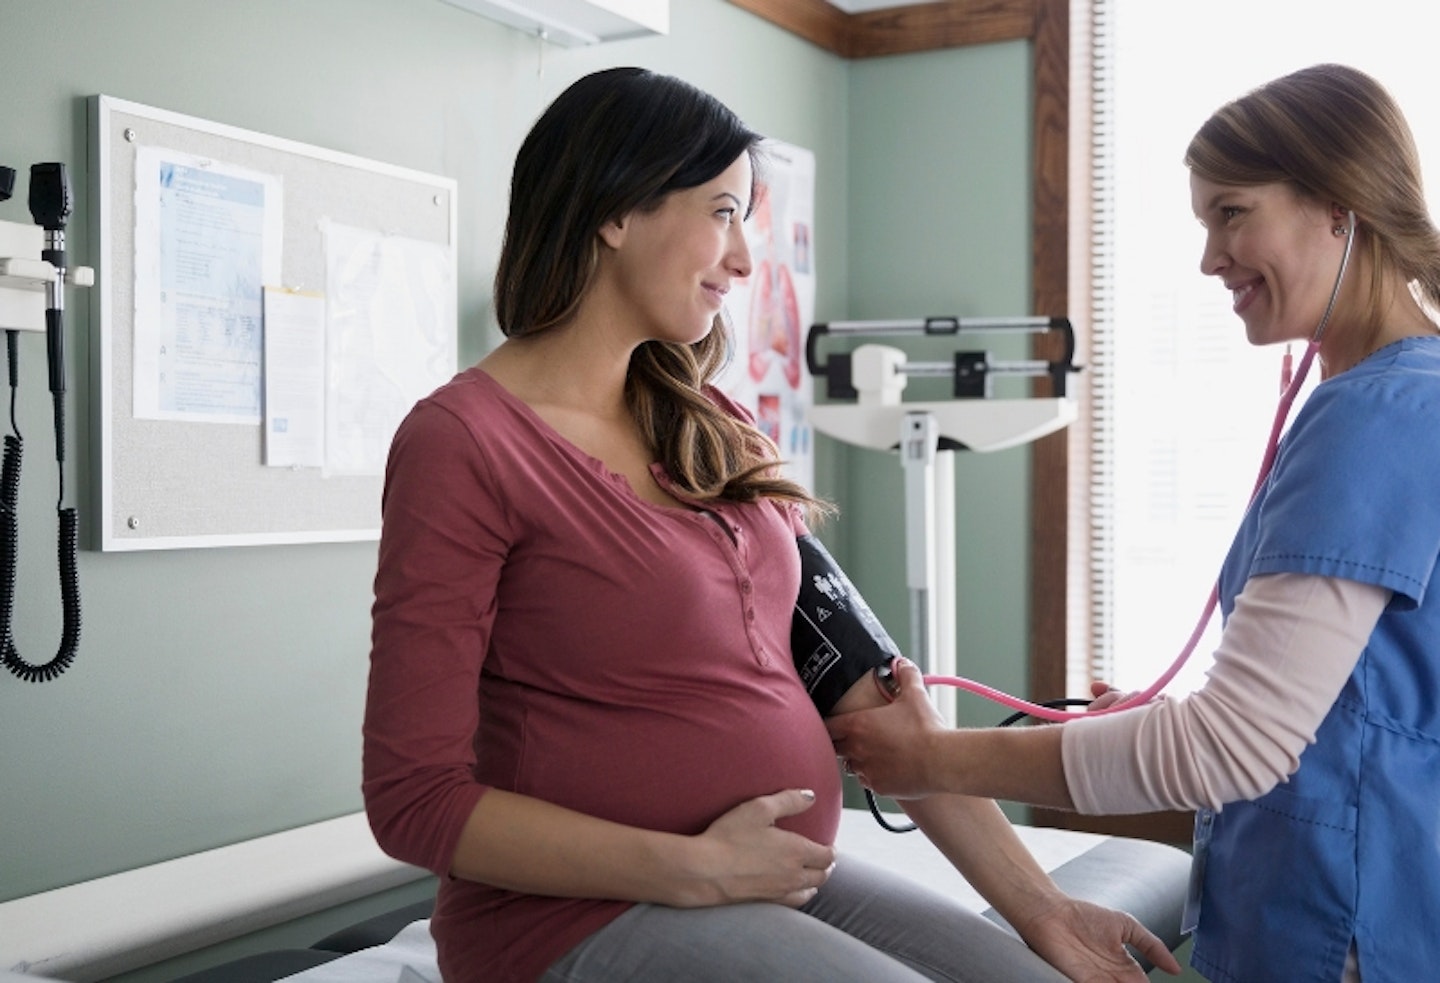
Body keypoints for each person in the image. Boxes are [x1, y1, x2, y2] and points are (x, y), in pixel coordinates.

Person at [362, 66, 1179, 983]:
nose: (746, 259)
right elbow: (413, 800)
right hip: (572, 920)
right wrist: (693, 867)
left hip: (764, 878)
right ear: (615, 211)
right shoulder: (463, 442)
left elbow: (867, 697)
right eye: (722, 212)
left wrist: (1044, 906)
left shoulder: (711, 425)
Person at [826, 63, 1440, 983]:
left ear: (1339, 207)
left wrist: (931, 756)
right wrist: (1163, 719)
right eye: (1205, 223)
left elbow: (1234, 742)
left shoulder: (1375, 417)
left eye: (1233, 213)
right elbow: (1360, 694)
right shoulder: (1399, 398)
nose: (1210, 257)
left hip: (1340, 927)